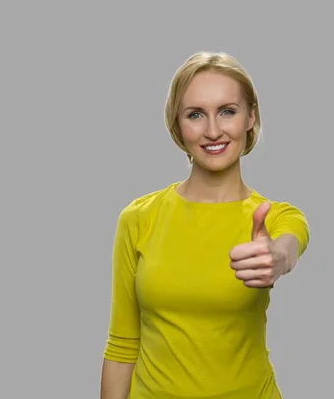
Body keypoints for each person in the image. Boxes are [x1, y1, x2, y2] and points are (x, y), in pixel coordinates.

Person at [100, 51, 310, 399]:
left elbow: (290, 246)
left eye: (228, 111)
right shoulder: (138, 218)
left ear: (250, 118)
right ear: (178, 125)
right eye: (196, 114)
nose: (213, 130)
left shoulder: (275, 217)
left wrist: (277, 256)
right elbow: (123, 344)